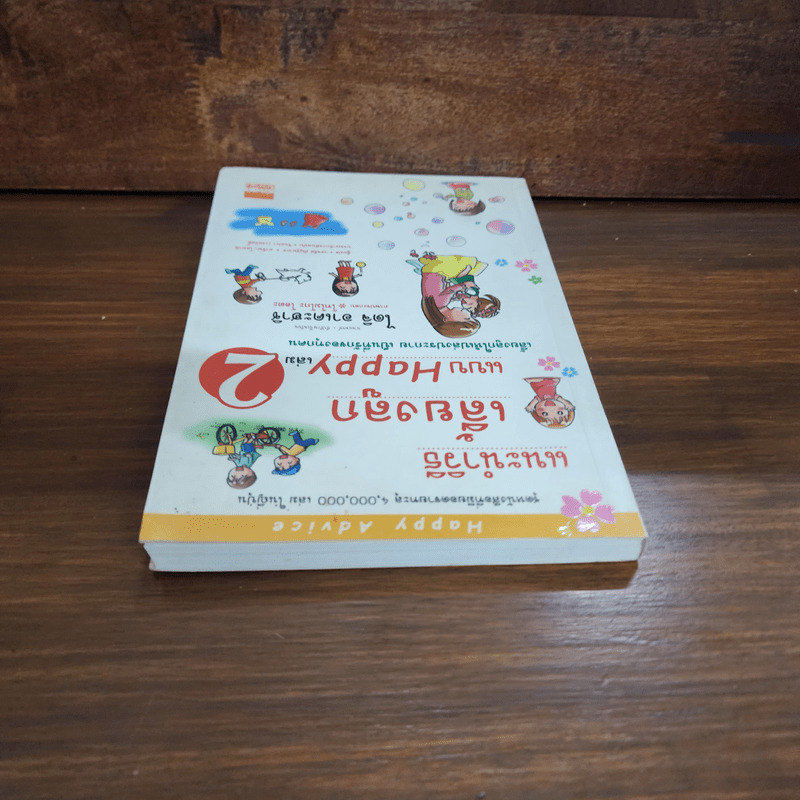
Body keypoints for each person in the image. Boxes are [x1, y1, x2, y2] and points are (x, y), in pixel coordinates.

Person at [414, 251, 500, 338]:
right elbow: (446, 293)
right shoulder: (438, 305)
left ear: (448, 320)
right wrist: (455, 297)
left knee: (468, 265)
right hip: (435, 272)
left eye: (467, 318)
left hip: (435, 269)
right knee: (471, 271)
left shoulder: (440, 303)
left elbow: (450, 290)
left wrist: (463, 285)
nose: (467, 313)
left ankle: (470, 263)